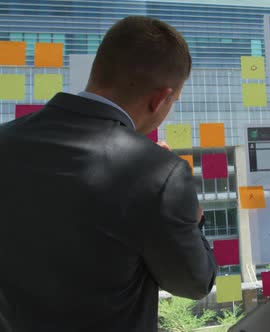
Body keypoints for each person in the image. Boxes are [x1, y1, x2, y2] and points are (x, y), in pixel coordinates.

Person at [0, 16, 217, 332]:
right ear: (159, 99)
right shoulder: (160, 172)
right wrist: (193, 218)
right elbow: (194, 282)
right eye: (173, 101)